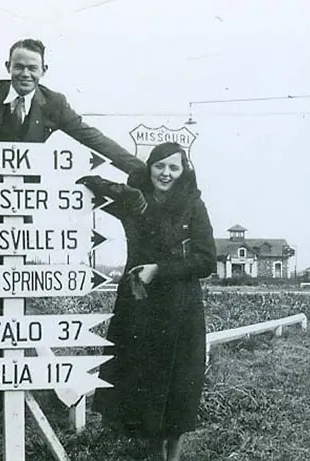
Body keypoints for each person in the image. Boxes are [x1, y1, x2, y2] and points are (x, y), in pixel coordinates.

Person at [0, 37, 145, 323]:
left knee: (13, 281)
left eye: (32, 68)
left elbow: (92, 137)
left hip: (22, 205)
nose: (25, 74)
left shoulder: (54, 103)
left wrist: (142, 171)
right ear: (7, 67)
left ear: (44, 70)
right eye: (18, 66)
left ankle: (9, 345)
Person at [78, 142, 217, 461]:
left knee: (179, 384)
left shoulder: (193, 204)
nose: (165, 174)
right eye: (159, 166)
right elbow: (91, 184)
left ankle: (174, 455)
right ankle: (153, 453)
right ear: (149, 168)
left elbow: (207, 260)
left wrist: (160, 270)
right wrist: (124, 190)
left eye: (174, 167)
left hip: (180, 306)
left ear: (184, 172)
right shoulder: (133, 200)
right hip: (139, 305)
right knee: (142, 381)